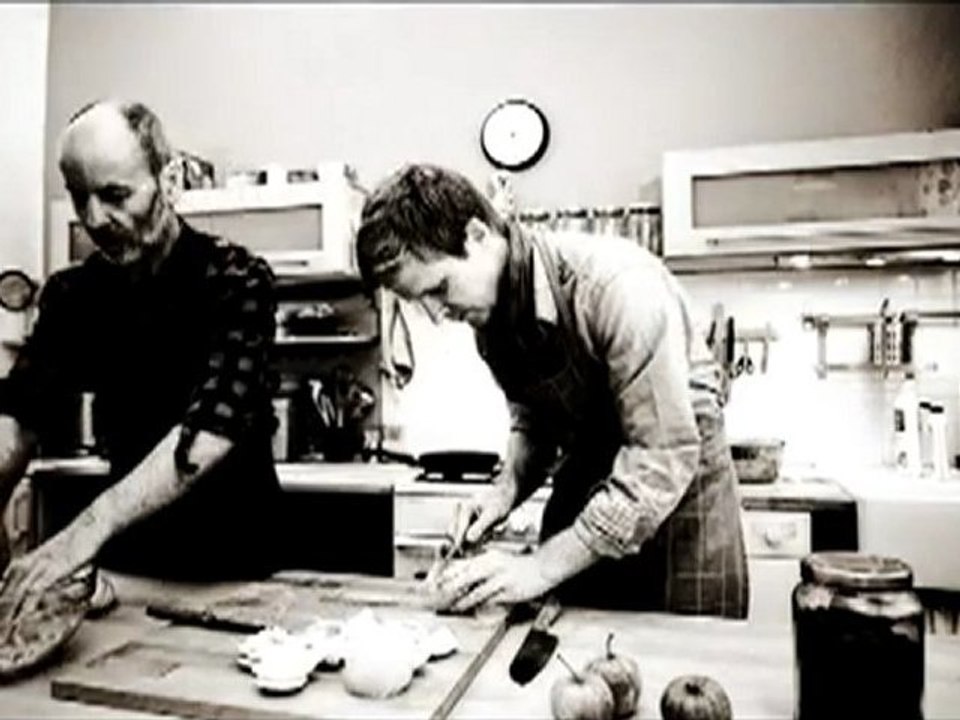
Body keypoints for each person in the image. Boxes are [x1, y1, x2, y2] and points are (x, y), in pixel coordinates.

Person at [356, 164, 748, 618]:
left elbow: (662, 456)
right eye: (418, 301)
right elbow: (535, 421)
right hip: (590, 497)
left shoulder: (618, 285)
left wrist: (540, 567)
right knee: (573, 651)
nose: (436, 314)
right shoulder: (492, 321)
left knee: (683, 659)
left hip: (680, 505)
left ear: (477, 235)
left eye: (440, 288)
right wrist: (505, 492)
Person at [0, 100, 282, 614]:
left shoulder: (237, 278)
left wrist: (80, 535)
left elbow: (212, 426)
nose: (93, 219)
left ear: (169, 182)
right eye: (79, 197)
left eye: (114, 196)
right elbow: (20, 414)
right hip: (126, 573)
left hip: (232, 576)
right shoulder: (72, 296)